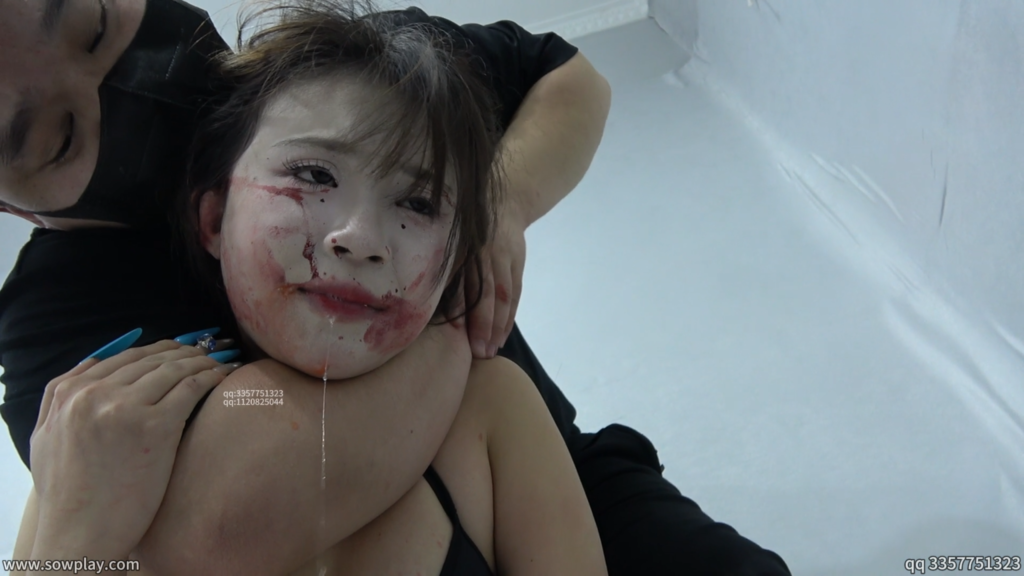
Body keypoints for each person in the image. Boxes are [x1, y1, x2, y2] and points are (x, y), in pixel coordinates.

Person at [0, 0, 791, 574]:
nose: (359, 237)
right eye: (55, 137)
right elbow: (208, 532)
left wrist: (496, 205)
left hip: (568, 472)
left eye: (92, 25)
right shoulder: (57, 329)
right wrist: (437, 297)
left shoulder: (351, 74)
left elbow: (567, 78)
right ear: (211, 217)